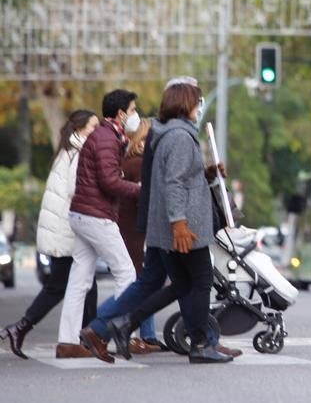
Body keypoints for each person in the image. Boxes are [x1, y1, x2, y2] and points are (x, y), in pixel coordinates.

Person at [96, 81, 231, 364]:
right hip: (185, 227)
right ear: (185, 104)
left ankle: (124, 325)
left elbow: (179, 176)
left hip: (172, 225)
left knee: (181, 284)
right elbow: (173, 183)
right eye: (196, 102)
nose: (199, 107)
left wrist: (205, 173)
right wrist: (179, 223)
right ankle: (201, 344)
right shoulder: (181, 137)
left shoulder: (165, 134)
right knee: (201, 281)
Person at [2, 111, 100, 359]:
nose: (97, 131)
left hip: (62, 230)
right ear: (80, 129)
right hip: (67, 231)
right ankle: (88, 337)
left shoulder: (67, 150)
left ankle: (23, 328)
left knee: (67, 286)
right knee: (76, 285)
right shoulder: (78, 153)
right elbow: (75, 191)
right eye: (93, 126)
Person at [58, 90, 142, 357]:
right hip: (96, 216)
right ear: (120, 114)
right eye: (132, 110)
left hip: (82, 214)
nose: (134, 115)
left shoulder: (108, 136)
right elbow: (109, 181)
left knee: (79, 279)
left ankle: (67, 342)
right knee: (127, 273)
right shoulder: (107, 138)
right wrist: (139, 189)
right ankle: (110, 333)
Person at [113, 118, 161, 354]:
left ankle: (148, 334)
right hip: (138, 232)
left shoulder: (128, 161)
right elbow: (145, 199)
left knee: (142, 281)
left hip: (127, 227)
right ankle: (144, 334)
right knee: (144, 283)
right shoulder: (141, 163)